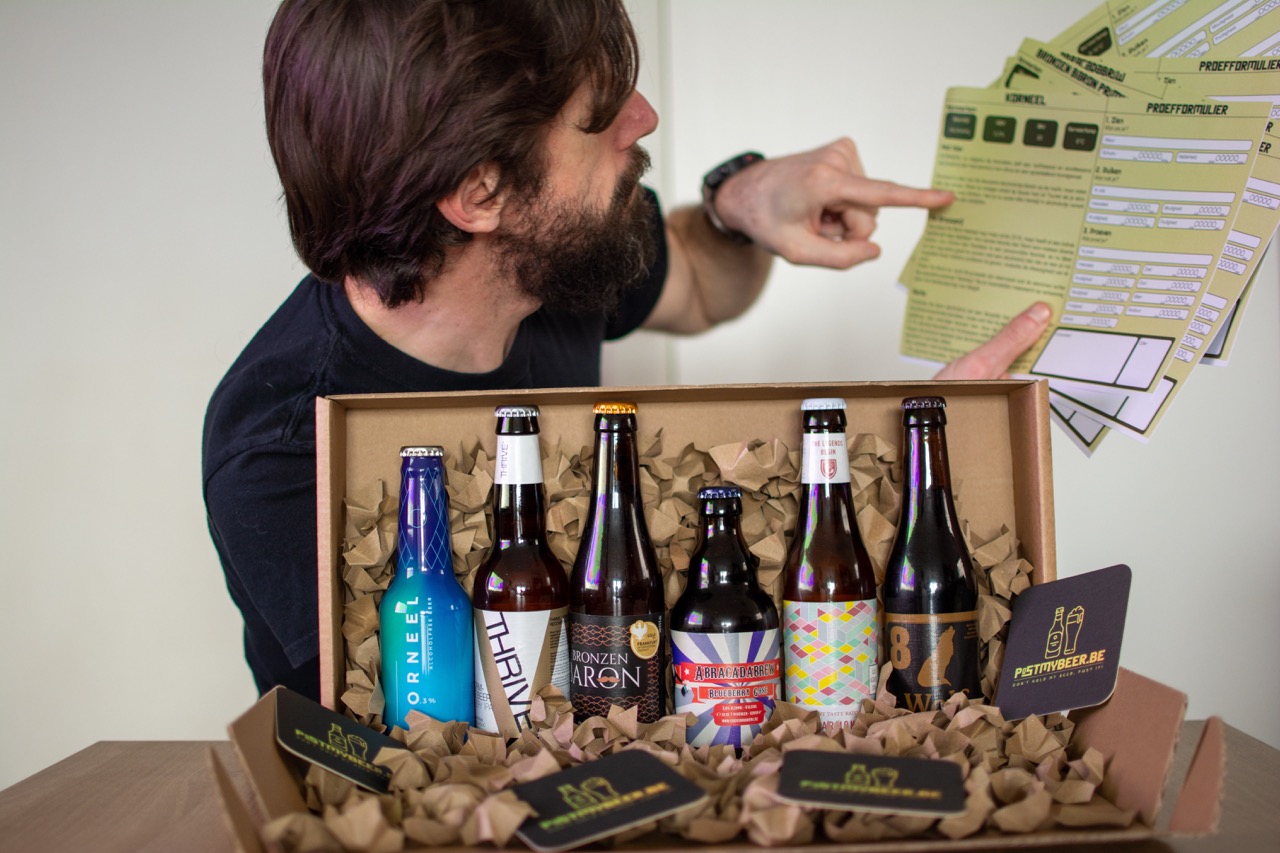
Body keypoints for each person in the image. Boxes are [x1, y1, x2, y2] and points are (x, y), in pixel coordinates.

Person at [203, 0, 1050, 701]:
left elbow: (701, 285)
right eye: (602, 110)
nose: (643, 116)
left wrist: (736, 205)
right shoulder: (281, 449)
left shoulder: (554, 255)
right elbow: (396, 761)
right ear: (481, 192)